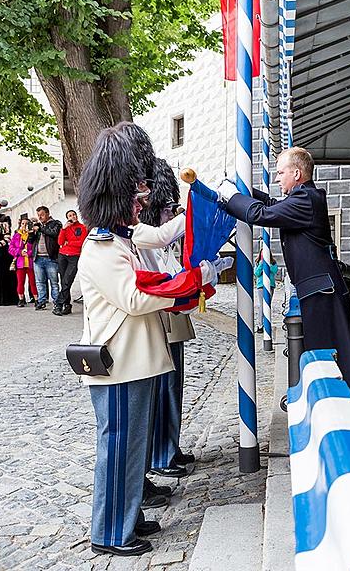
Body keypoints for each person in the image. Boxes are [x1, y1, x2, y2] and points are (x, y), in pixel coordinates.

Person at [76, 122, 221, 557]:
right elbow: (137, 298)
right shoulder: (101, 247)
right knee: (119, 448)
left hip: (137, 362)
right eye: (136, 199)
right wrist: (191, 280)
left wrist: (192, 283)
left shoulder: (122, 241)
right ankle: (109, 533)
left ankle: (129, 515)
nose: (142, 205)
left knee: (133, 450)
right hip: (120, 364)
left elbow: (154, 280)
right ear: (116, 199)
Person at [216, 147, 350, 404]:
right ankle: (327, 406)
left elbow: (259, 214)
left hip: (322, 292)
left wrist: (232, 196)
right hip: (320, 289)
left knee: (325, 356)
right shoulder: (304, 198)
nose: (277, 178)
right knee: (324, 356)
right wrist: (246, 191)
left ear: (297, 173)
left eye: (280, 172)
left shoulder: (305, 200)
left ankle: (332, 409)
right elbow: (273, 205)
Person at [134, 158, 198, 478]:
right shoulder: (142, 232)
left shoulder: (155, 226)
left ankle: (169, 445)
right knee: (165, 388)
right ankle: (162, 453)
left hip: (172, 313)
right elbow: (160, 245)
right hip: (161, 314)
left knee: (174, 386)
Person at [54, 209, 87, 315]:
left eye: (74, 214)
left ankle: (58, 304)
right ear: (67, 218)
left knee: (67, 281)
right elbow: (60, 242)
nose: (72, 216)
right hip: (62, 256)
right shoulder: (65, 228)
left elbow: (81, 242)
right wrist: (63, 229)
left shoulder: (82, 227)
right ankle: (67, 305)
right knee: (63, 281)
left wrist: (68, 243)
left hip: (74, 256)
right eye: (70, 215)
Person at [30, 205, 62, 311]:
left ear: (48, 214)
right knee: (39, 282)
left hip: (51, 258)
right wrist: (32, 233)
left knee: (54, 282)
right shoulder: (38, 225)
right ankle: (41, 301)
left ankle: (57, 302)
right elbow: (31, 241)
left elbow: (54, 233)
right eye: (38, 215)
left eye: (42, 215)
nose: (40, 217)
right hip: (38, 258)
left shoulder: (56, 223)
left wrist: (41, 229)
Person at [9, 218, 38, 306]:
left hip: (30, 262)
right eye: (22, 223)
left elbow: (35, 248)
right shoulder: (16, 235)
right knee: (20, 282)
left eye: (26, 223)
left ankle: (36, 299)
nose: (24, 225)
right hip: (20, 263)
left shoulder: (32, 235)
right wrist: (19, 252)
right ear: (20, 224)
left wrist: (29, 253)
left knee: (33, 282)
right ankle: (21, 299)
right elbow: (10, 248)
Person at [0, 202, 19, 306]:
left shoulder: (3, 225)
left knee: (2, 276)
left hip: (1, 254)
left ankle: (3, 299)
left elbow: (7, 237)